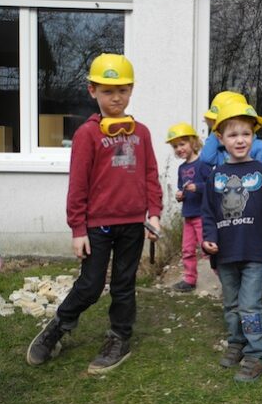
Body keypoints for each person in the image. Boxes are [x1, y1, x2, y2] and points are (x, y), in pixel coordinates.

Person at [26, 53, 163, 374]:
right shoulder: (87, 135)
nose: (116, 98)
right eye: (107, 91)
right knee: (89, 285)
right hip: (97, 226)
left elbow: (150, 175)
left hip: (132, 224)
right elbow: (78, 185)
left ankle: (119, 338)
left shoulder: (141, 133)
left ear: (131, 91)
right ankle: (58, 328)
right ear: (92, 92)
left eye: (123, 90)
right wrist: (77, 229)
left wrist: (154, 213)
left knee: (124, 285)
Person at [201, 101, 262, 383]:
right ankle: (237, 342)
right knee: (231, 304)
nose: (240, 140)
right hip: (226, 252)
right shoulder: (214, 176)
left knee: (250, 305)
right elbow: (208, 212)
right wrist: (208, 239)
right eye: (233, 135)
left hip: (255, 252)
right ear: (220, 138)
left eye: (246, 133)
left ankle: (257, 353)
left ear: (253, 136)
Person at [166, 122, 212, 292]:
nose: (179, 149)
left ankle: (225, 278)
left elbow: (214, 186)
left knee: (208, 249)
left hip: (202, 216)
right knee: (187, 250)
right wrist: (180, 195)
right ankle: (189, 280)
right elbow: (182, 189)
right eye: (175, 146)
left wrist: (198, 187)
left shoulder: (203, 165)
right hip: (188, 216)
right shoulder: (182, 168)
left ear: (193, 143)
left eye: (182, 144)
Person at [200, 90, 262, 166]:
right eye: (216, 123)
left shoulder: (259, 147)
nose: (239, 140)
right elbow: (206, 159)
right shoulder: (220, 149)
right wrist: (216, 130)